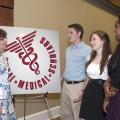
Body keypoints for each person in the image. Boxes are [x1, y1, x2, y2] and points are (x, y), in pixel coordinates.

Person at [60, 23, 92, 120]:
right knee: (65, 113)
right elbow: (67, 68)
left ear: (79, 33)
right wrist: (59, 80)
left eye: (71, 33)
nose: (68, 35)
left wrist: (83, 90)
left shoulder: (88, 50)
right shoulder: (68, 50)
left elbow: (90, 73)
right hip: (65, 85)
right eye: (68, 33)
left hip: (77, 87)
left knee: (77, 114)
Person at [79, 30, 111, 120]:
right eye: (90, 40)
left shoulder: (110, 58)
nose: (91, 42)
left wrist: (108, 98)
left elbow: (112, 79)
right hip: (89, 91)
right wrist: (82, 90)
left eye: (94, 39)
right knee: (83, 117)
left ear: (103, 40)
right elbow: (88, 77)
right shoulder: (90, 57)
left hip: (101, 93)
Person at [103, 16, 120, 120]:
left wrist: (107, 98)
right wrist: (107, 83)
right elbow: (112, 70)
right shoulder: (118, 46)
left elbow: (118, 77)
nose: (114, 30)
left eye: (117, 27)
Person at [0, 29, 17, 120]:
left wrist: (10, 96)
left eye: (5, 39)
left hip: (6, 98)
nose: (6, 42)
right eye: (3, 39)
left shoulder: (3, 57)